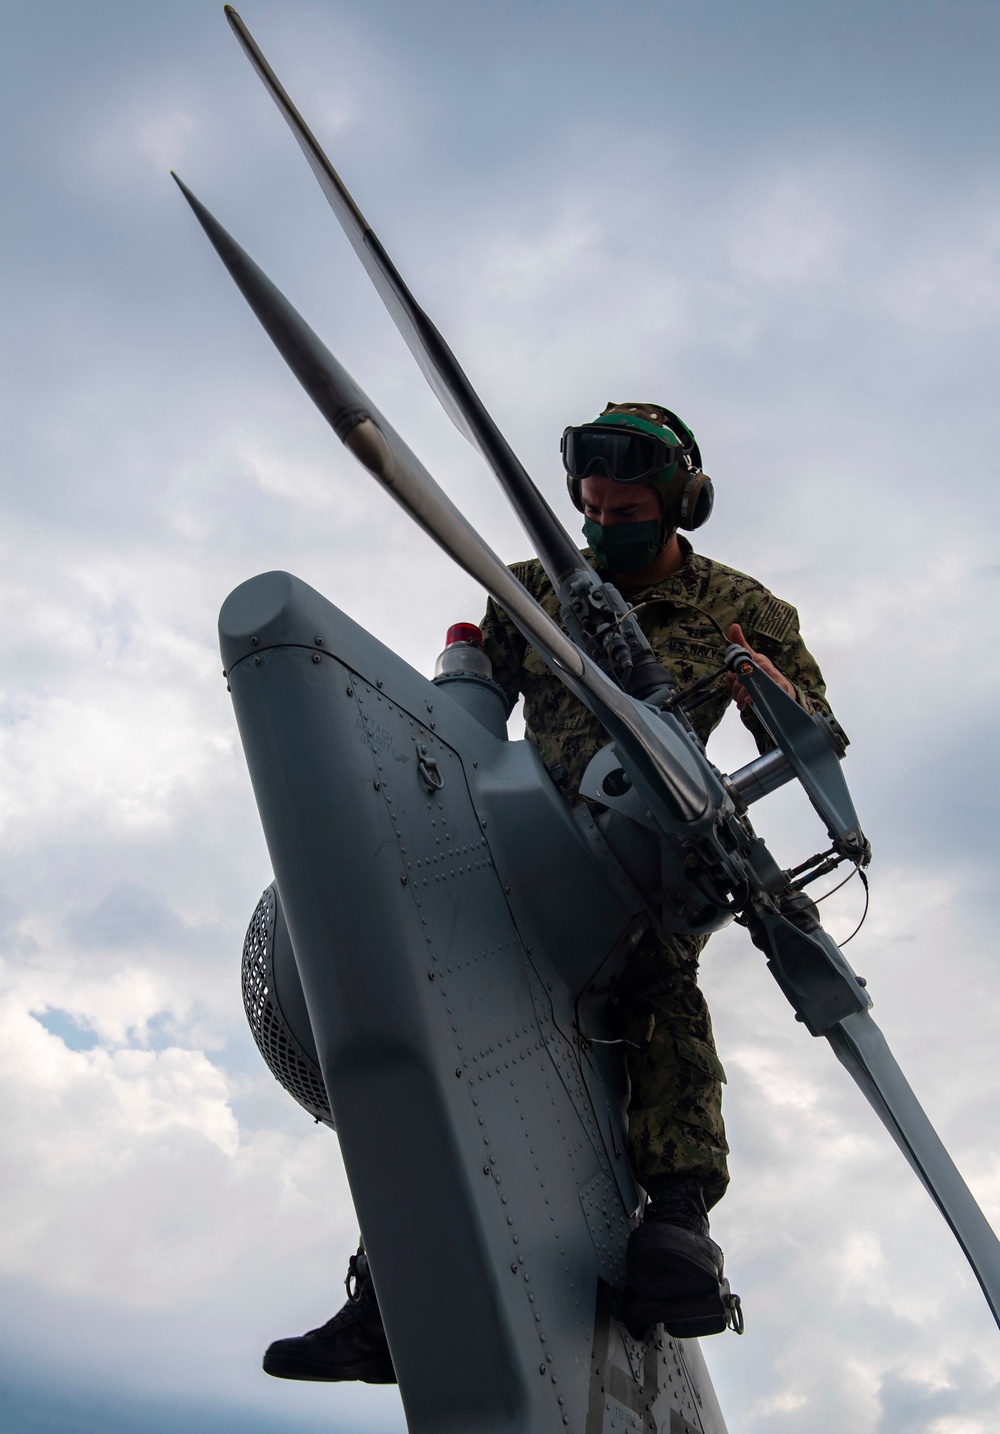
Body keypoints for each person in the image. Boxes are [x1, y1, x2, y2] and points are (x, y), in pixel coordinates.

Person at [262, 401, 830, 1380]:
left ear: (680, 499)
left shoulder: (745, 611)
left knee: (661, 994)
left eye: (628, 505)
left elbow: (808, 738)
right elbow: (465, 722)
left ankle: (680, 1224)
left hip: (643, 858)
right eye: (593, 506)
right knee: (446, 1031)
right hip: (518, 850)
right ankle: (392, 1291)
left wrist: (755, 726)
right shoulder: (523, 591)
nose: (606, 522)